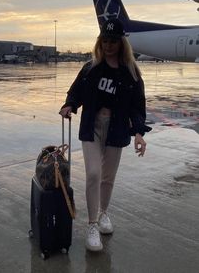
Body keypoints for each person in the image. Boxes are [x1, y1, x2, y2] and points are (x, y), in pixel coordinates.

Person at [59, 18, 151, 251]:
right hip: (92, 125)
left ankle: (103, 214)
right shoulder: (91, 67)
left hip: (117, 127)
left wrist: (139, 132)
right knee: (92, 173)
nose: (109, 45)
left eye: (113, 41)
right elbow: (76, 90)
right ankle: (91, 226)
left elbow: (137, 106)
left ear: (122, 43)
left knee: (107, 178)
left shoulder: (130, 72)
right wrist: (70, 105)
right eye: (105, 40)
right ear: (100, 42)